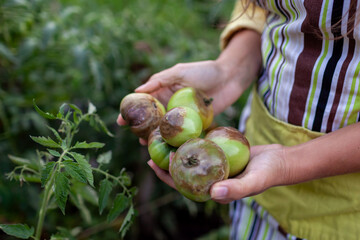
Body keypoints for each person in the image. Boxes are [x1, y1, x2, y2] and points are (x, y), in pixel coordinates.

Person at [118, 0, 360, 239]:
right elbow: (262, 8)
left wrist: (288, 163)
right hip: (257, 184)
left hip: (344, 216)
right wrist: (230, 71)